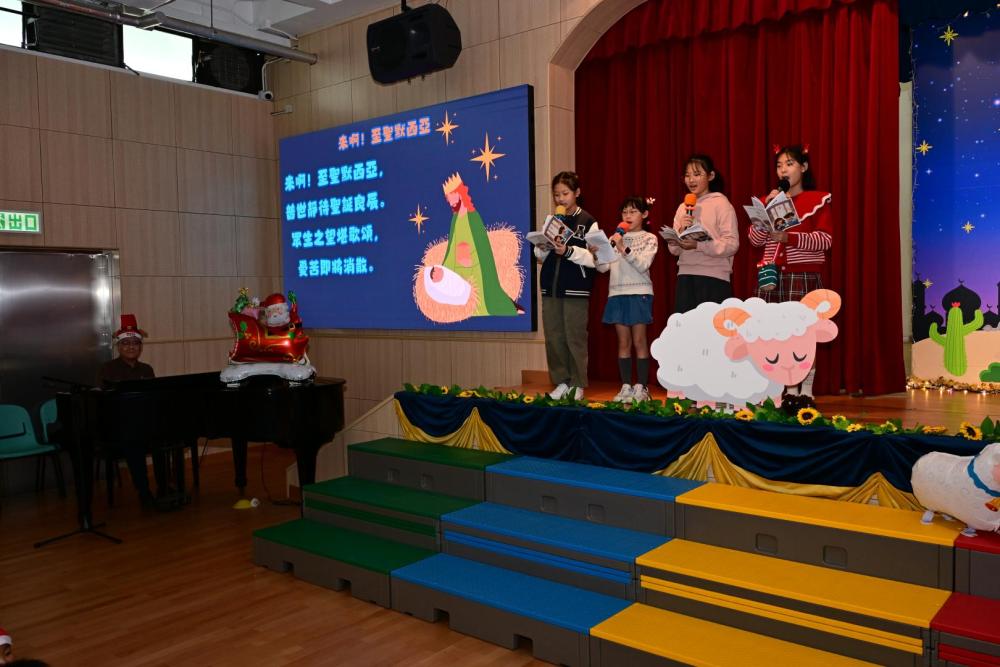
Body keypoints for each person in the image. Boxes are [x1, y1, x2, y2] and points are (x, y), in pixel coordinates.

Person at [748, 144, 833, 398]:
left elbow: (825, 240)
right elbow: (754, 240)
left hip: (801, 275)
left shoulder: (817, 200)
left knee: (803, 335)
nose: (783, 170)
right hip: (771, 274)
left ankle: (805, 391)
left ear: (803, 167)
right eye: (779, 165)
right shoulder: (769, 199)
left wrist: (789, 238)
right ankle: (783, 389)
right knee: (773, 335)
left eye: (789, 164)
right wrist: (766, 211)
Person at [535, 171, 601, 400]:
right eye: (556, 195)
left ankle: (578, 384)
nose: (561, 199)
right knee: (554, 337)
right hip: (551, 286)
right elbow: (540, 256)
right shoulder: (552, 221)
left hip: (576, 287)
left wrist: (569, 251)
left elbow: (596, 259)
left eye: (565, 193)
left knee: (574, 336)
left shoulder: (588, 222)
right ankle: (561, 382)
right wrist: (542, 246)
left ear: (577, 193)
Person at [96, 314, 163, 507]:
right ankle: (143, 491)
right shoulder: (107, 369)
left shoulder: (146, 369)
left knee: (164, 438)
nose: (131, 347)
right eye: (125, 343)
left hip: (143, 422)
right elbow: (102, 402)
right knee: (134, 442)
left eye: (135, 343)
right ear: (119, 347)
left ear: (140, 347)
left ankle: (164, 487)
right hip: (117, 426)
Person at [599, 196, 659, 404]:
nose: (628, 216)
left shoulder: (649, 238)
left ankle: (642, 386)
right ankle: (626, 385)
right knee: (623, 342)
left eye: (633, 212)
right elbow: (603, 267)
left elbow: (643, 265)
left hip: (639, 292)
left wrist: (623, 247)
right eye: (624, 212)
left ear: (644, 214)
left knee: (639, 341)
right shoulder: (614, 238)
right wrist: (597, 253)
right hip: (617, 293)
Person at [666, 154, 739, 313]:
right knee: (686, 327)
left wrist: (698, 245)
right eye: (687, 175)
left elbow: (732, 244)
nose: (691, 180)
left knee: (711, 327)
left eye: (697, 174)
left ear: (711, 176)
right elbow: (673, 250)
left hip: (714, 278)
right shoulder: (682, 207)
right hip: (685, 276)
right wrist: (680, 233)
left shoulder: (721, 203)